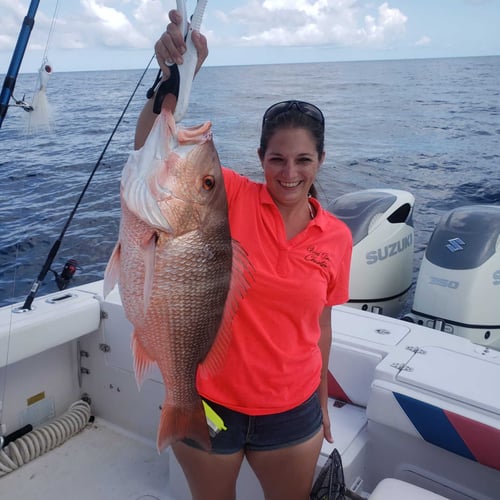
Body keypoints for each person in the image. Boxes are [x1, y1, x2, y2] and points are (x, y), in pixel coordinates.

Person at [135, 9, 353, 500]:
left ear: (320, 160)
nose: (289, 173)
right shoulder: (226, 195)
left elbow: (320, 327)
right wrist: (175, 74)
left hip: (292, 412)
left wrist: (320, 402)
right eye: (277, 158)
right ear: (260, 159)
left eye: (303, 160)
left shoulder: (336, 237)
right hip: (208, 404)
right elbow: (152, 148)